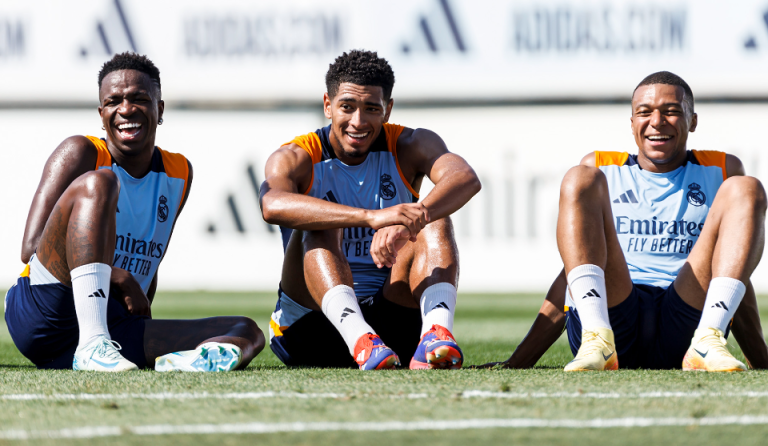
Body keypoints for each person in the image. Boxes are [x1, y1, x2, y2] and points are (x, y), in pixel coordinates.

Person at [487, 71, 768, 372]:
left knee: (747, 187)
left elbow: (734, 272)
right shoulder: (601, 169)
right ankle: (596, 339)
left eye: (671, 111)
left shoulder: (721, 169)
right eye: (644, 112)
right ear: (632, 123)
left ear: (693, 121)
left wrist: (761, 362)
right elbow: (574, 271)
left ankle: (708, 340)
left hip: (688, 324)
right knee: (579, 177)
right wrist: (517, 363)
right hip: (612, 317)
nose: (657, 122)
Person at [4, 52, 264, 372]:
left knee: (246, 330)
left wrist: (141, 310)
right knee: (100, 184)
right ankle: (91, 345)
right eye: (114, 101)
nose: (125, 109)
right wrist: (120, 278)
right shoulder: (81, 152)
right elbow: (30, 249)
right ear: (101, 114)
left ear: (160, 109)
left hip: (114, 325)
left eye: (139, 98)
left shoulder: (179, 172)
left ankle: (190, 363)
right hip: (44, 312)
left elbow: (148, 264)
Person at [260, 50, 481, 370]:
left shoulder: (410, 145)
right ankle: (360, 339)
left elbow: (465, 177)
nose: (358, 122)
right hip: (310, 329)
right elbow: (271, 204)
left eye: (371, 109)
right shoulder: (297, 155)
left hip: (390, 328)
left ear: (387, 110)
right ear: (327, 105)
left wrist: (408, 222)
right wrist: (371, 217)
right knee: (322, 219)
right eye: (347, 107)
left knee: (434, 217)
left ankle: (436, 333)